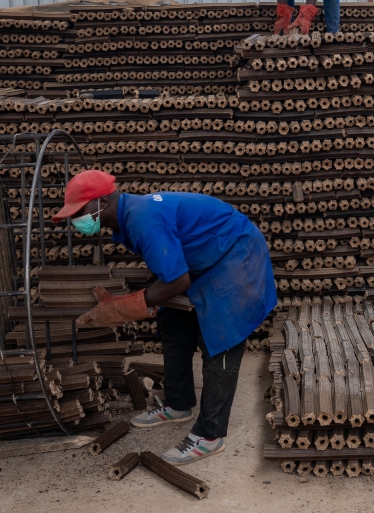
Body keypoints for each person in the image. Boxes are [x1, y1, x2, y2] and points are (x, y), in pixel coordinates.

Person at [53, 169, 276, 465]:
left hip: (236, 254)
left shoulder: (143, 219)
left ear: (102, 202)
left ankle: (209, 435)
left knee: (221, 340)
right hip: (206, 258)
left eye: (79, 211)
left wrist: (122, 308)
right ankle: (178, 404)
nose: (75, 219)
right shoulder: (130, 214)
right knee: (173, 324)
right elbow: (169, 266)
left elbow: (178, 282)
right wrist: (140, 301)